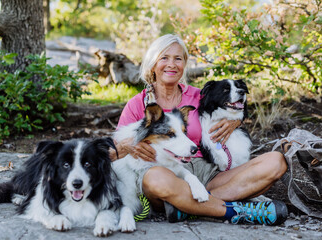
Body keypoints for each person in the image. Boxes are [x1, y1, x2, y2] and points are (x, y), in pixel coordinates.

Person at [109, 34, 288, 225]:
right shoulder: (138, 103)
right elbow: (111, 153)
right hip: (165, 173)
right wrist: (129, 146)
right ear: (153, 64)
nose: (171, 64)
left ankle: (189, 208)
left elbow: (233, 106)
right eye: (164, 58)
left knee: (276, 162)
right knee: (154, 179)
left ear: (184, 64)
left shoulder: (197, 96)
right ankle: (230, 211)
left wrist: (235, 121)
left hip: (207, 172)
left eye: (178, 58)